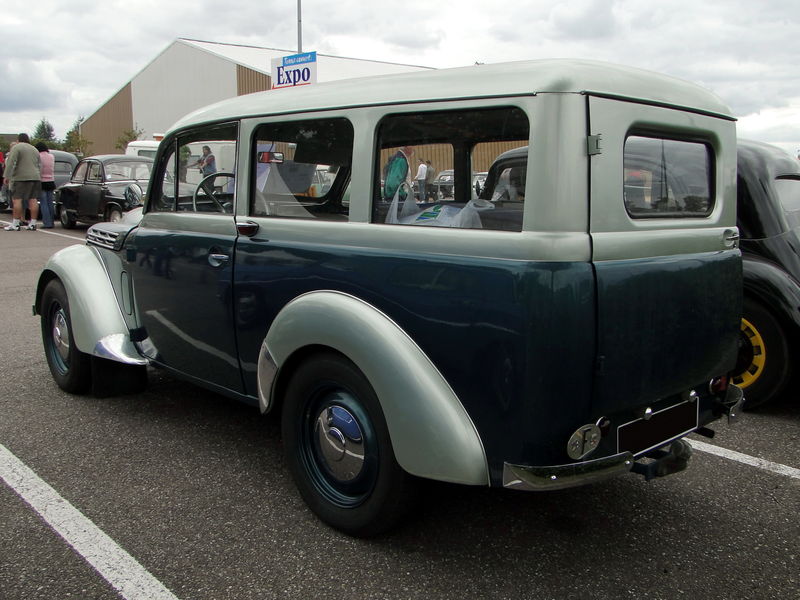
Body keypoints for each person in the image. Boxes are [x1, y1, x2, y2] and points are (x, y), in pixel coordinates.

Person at [3, 133, 41, 231]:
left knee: (17, 199)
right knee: (33, 199)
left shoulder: (17, 147)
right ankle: (33, 223)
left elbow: (11, 162)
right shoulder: (34, 149)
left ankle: (15, 223)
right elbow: (39, 164)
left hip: (20, 177)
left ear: (18, 140)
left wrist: (6, 176)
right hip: (35, 177)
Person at [36, 142, 56, 228]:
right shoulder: (51, 156)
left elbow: (39, 168)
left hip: (42, 181)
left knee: (43, 203)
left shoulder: (39, 156)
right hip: (51, 180)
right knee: (50, 202)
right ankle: (52, 221)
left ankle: (47, 223)